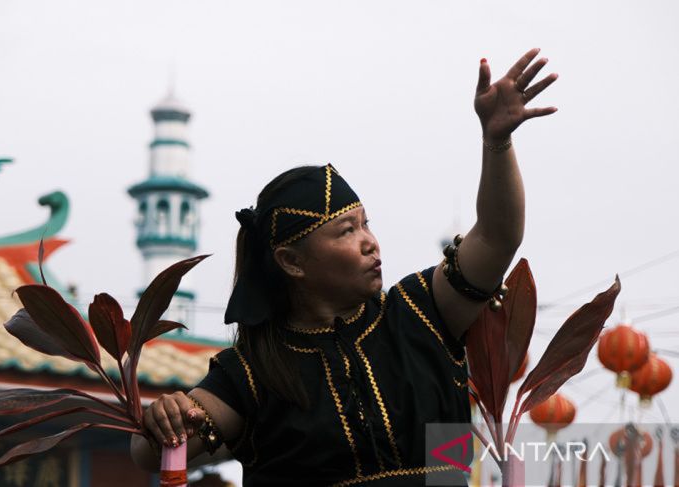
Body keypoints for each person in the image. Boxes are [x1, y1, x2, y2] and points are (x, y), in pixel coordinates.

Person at [131, 48, 558, 486]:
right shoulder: (254, 373)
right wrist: (166, 417)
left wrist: (497, 141)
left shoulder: (421, 313)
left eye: (366, 225)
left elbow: (496, 236)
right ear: (292, 262)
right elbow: (150, 452)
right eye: (347, 231)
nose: (370, 241)